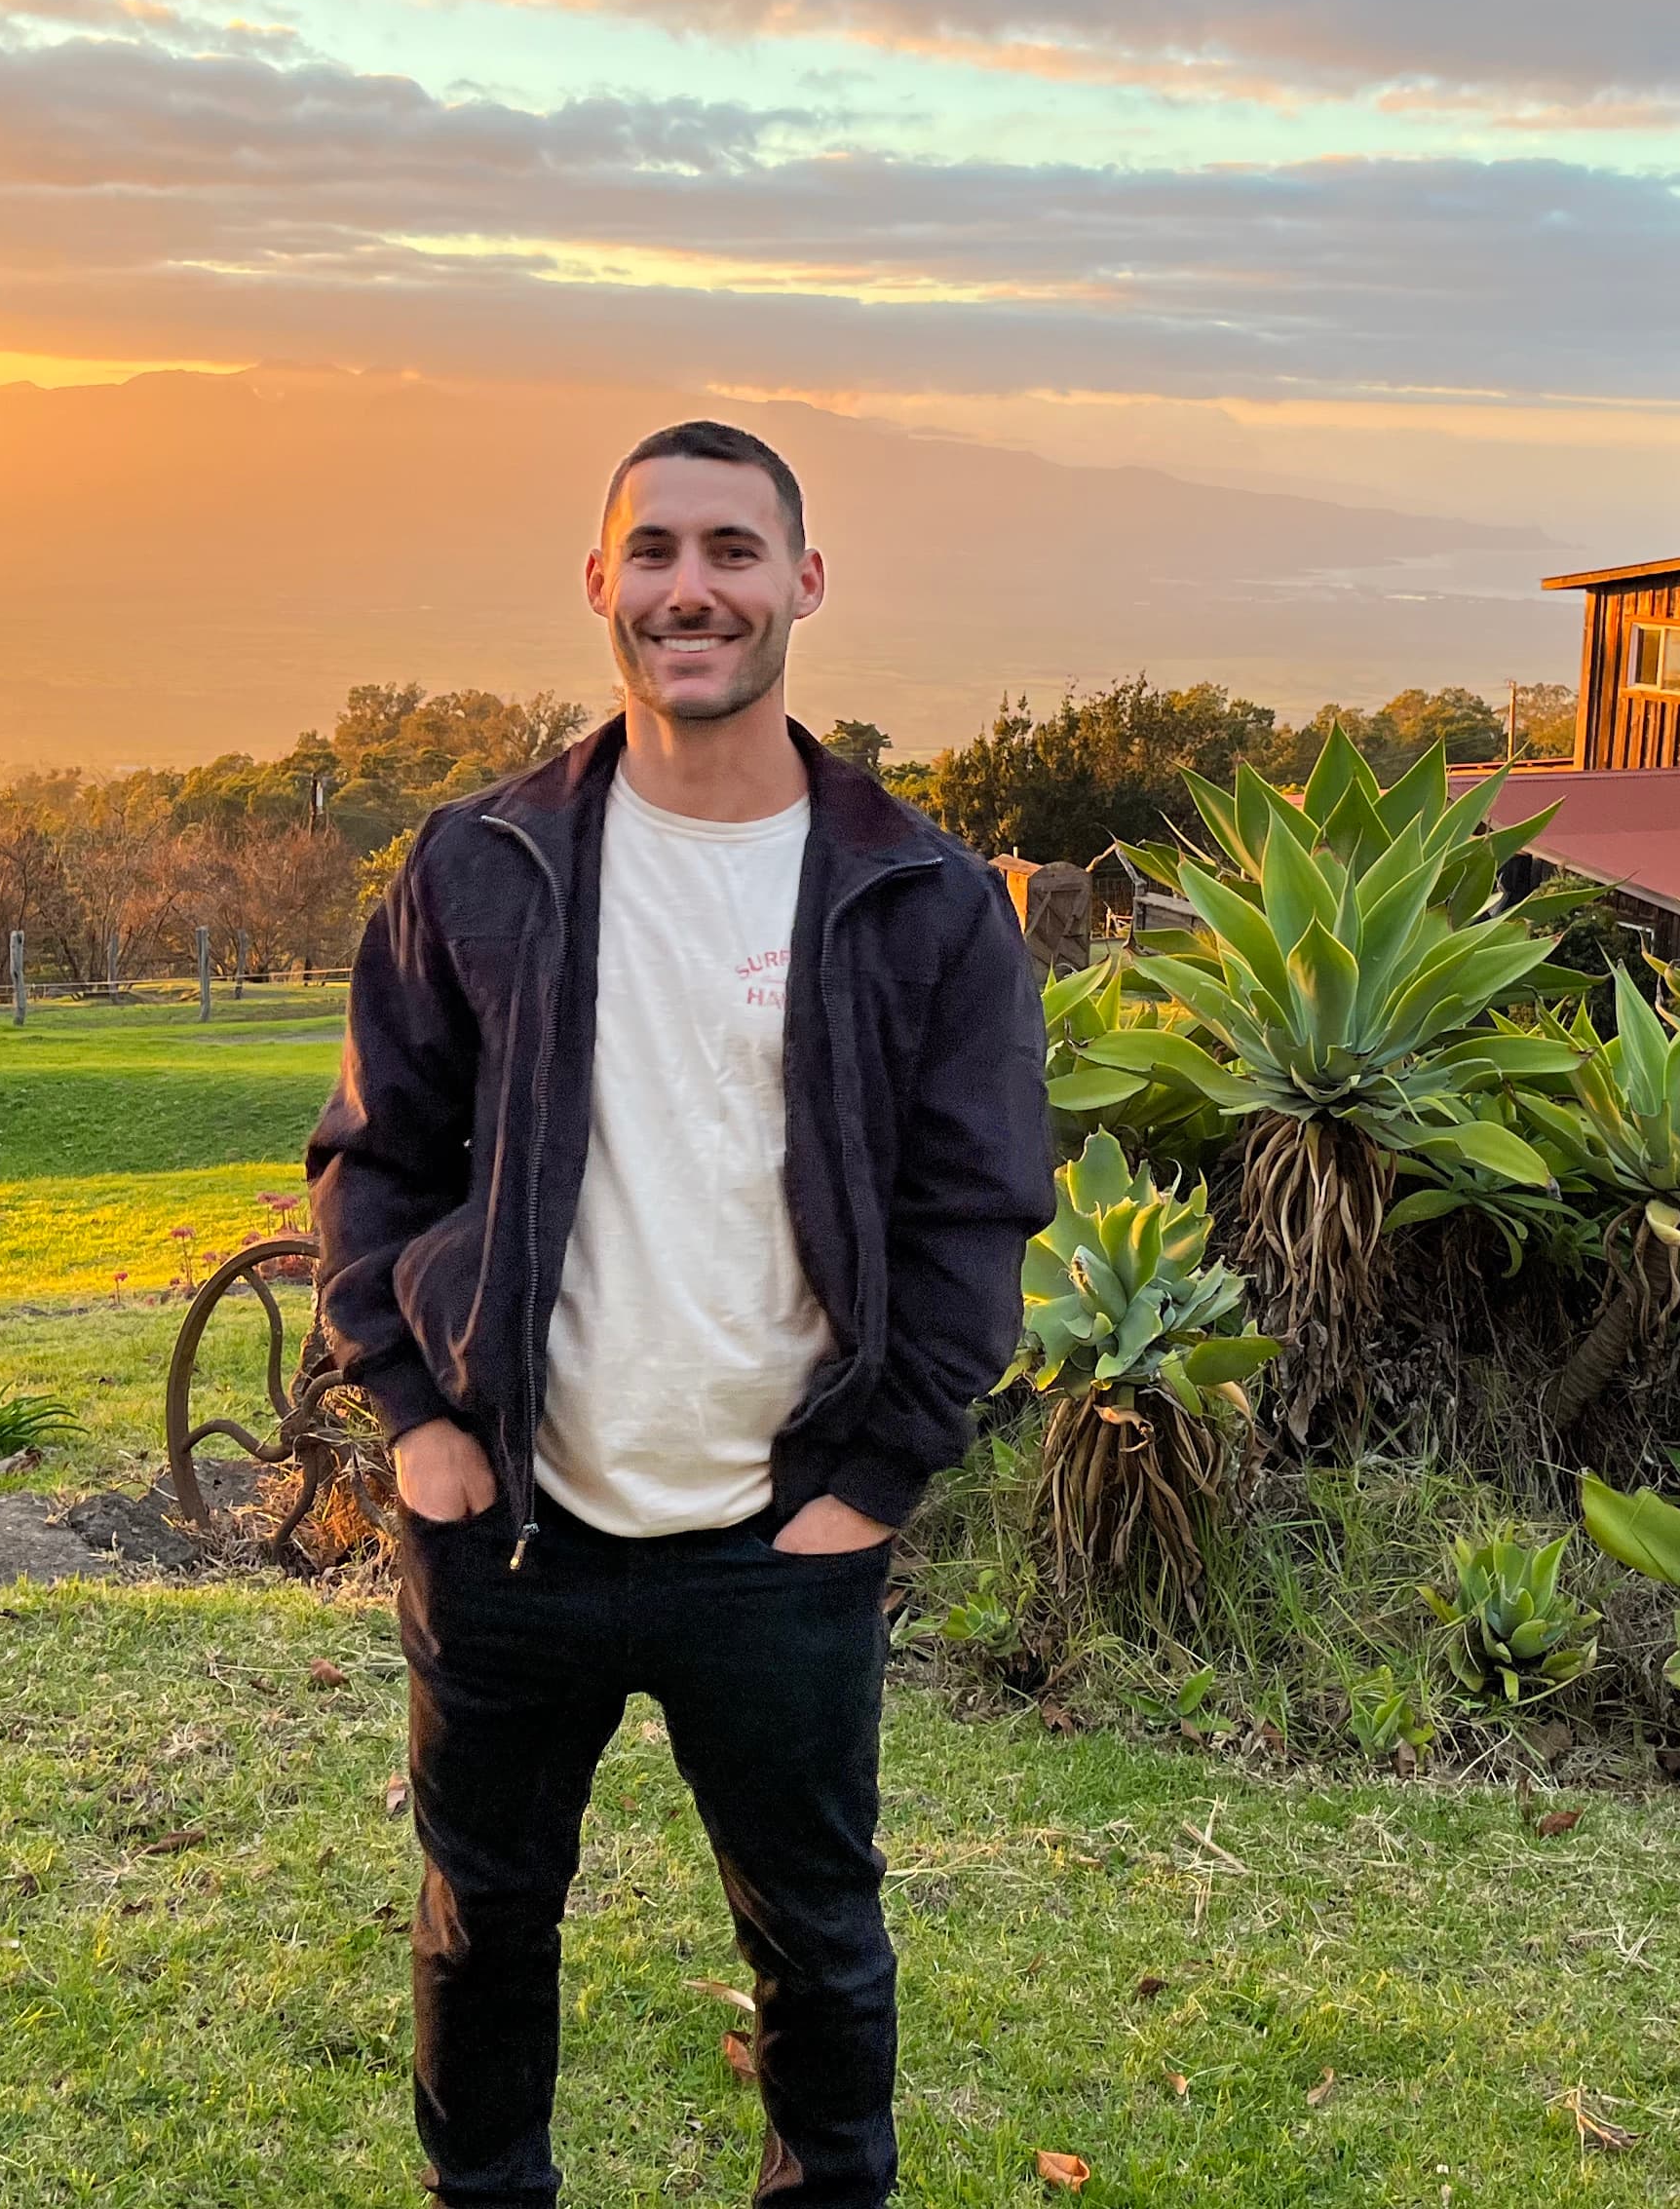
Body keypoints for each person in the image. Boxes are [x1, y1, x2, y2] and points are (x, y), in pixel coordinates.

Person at [308, 418, 1055, 2205]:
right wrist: (419, 1428)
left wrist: (865, 1490)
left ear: (804, 583)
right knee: (485, 1926)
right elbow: (372, 1155)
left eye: (733, 550)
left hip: (779, 1540)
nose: (688, 589)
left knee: (819, 1943)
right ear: (599, 585)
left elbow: (975, 1217)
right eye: (653, 553)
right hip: (511, 1530)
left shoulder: (924, 899)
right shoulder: (482, 864)